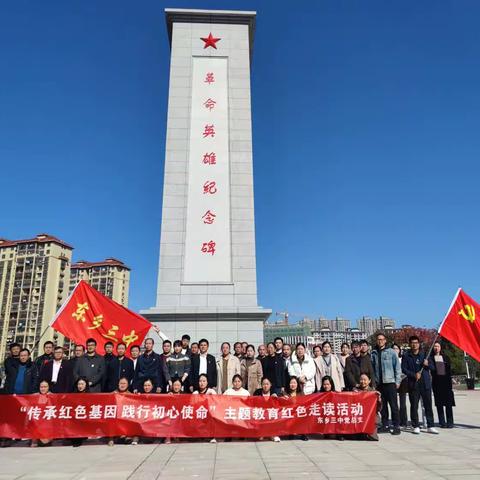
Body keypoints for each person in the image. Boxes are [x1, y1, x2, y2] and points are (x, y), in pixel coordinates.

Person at [402, 336, 438, 434]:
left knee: (428, 405)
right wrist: (414, 375)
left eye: (416, 342)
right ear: (410, 344)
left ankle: (430, 425)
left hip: (425, 383)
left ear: (419, 343)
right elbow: (404, 369)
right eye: (412, 343)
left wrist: (427, 364)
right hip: (413, 384)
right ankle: (415, 425)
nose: (414, 344)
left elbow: (433, 367)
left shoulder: (425, 354)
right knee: (414, 405)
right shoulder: (406, 355)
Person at [371, 332, 402, 435]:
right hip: (379, 383)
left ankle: (396, 425)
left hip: (390, 382)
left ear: (385, 341)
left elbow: (397, 368)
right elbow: (372, 369)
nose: (380, 341)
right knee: (382, 406)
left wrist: (397, 381)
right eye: (378, 339)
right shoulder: (374, 353)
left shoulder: (392, 352)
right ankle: (385, 425)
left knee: (393, 405)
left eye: (382, 339)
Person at [430, 341, 455, 428]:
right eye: (435, 346)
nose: (436, 348)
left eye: (438, 346)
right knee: (439, 404)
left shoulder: (446, 358)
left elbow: (449, 371)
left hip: (446, 383)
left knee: (448, 404)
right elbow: (432, 370)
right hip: (436, 383)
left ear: (440, 348)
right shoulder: (431, 358)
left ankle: (450, 422)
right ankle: (442, 422)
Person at [353, 373, 380, 441]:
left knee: (373, 437)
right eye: (361, 380)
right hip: (359, 415)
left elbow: (378, 409)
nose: (363, 382)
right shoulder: (355, 390)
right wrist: (354, 395)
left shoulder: (373, 392)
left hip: (370, 416)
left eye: (365, 380)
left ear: (369, 381)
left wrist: (379, 400)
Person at [253, 377, 280, 442]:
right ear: (261, 385)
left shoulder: (274, 393)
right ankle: (262, 433)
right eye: (264, 384)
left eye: (267, 384)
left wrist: (276, 398)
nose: (265, 386)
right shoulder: (257, 392)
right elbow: (253, 404)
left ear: (270, 385)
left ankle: (273, 434)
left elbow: (279, 405)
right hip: (260, 415)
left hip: (271, 415)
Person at [109, 377, 134, 446]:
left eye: (124, 383)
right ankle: (111, 439)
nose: (122, 385)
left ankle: (126, 436)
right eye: (121, 383)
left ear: (128, 385)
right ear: (118, 384)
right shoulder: (113, 393)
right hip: (115, 415)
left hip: (126, 415)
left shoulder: (131, 395)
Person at [284, 376, 308, 441]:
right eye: (291, 383)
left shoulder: (301, 393)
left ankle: (303, 434)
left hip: (299, 412)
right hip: (289, 413)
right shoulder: (285, 393)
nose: (293, 385)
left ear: (297, 384)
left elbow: (305, 403)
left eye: (294, 383)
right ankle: (291, 433)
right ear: (288, 384)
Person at [30, 380, 53, 448]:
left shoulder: (52, 396)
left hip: (48, 420)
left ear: (48, 387)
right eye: (41, 387)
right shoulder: (35, 395)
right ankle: (34, 440)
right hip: (37, 419)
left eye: (45, 387)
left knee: (45, 443)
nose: (43, 389)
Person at [392, 343, 408, 428]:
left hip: (403, 381)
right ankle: (396, 421)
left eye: (396, 348)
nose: (395, 350)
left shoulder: (402, 359)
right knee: (394, 403)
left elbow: (405, 370)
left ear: (399, 350)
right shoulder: (390, 359)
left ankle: (404, 421)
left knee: (403, 403)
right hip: (393, 382)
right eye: (393, 349)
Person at [71, 377, 89, 447]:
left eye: (82, 384)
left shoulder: (91, 395)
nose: (80, 386)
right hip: (75, 417)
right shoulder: (72, 395)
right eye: (79, 384)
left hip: (85, 418)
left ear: (86, 385)